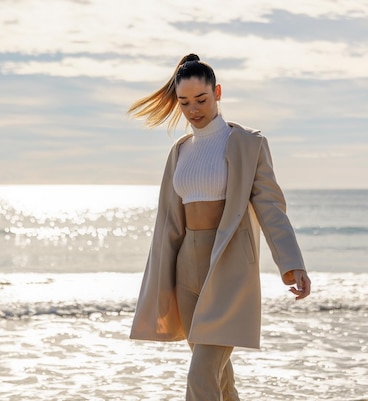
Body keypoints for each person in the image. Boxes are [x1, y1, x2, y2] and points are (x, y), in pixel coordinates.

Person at [128, 53, 311, 401]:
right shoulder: (179, 152)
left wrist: (292, 263)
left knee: (201, 378)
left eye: (202, 99)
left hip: (229, 270)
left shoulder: (247, 143)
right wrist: (161, 279)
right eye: (184, 103)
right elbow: (169, 223)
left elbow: (271, 207)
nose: (194, 109)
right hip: (186, 273)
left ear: (218, 93)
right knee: (219, 379)